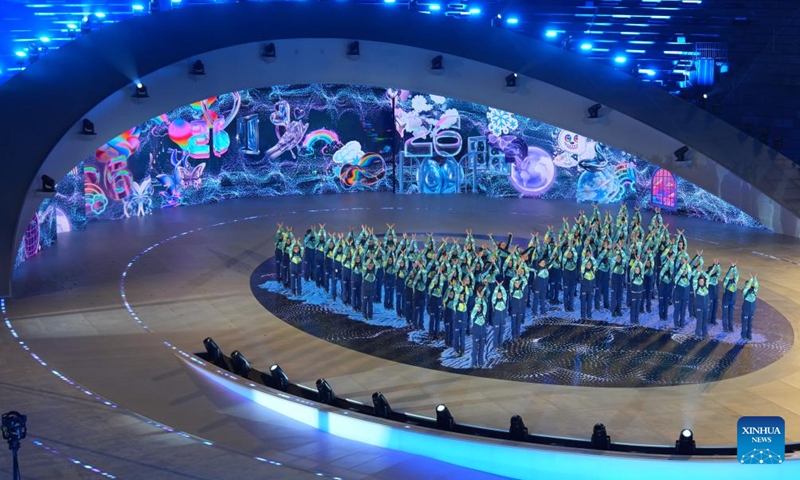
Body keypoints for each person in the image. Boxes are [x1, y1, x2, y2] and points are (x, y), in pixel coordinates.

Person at [673, 258, 691, 328]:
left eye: (685, 271)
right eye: (683, 271)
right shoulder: (677, 278)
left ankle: (682, 323)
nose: (684, 272)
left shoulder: (688, 279)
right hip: (677, 297)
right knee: (677, 310)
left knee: (683, 311)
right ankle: (676, 323)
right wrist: (684, 264)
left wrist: (686, 264)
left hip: (685, 297)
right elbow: (680, 271)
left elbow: (690, 271)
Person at [722, 262, 739, 333]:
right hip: (726, 301)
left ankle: (730, 327)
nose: (731, 276)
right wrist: (731, 268)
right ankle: (725, 327)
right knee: (725, 315)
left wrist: (734, 267)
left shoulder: (735, 282)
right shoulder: (726, 282)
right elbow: (727, 276)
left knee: (731, 315)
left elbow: (737, 275)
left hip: (732, 301)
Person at [508, 275, 527, 340]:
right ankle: (513, 335)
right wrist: (516, 275)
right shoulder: (512, 290)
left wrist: (521, 276)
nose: (517, 284)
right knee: (513, 322)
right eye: (516, 283)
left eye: (518, 283)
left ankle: (518, 334)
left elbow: (525, 282)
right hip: (514, 309)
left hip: (520, 309)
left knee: (518, 322)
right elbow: (511, 281)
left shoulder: (521, 289)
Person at [471, 297, 488, 368]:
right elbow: (474, 309)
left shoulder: (483, 314)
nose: (479, 308)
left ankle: (481, 362)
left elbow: (486, 306)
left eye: (480, 307)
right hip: (476, 334)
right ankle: (474, 363)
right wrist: (478, 300)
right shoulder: (473, 315)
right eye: (478, 307)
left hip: (483, 334)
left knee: (481, 349)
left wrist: (482, 299)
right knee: (475, 350)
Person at [741, 273, 758, 341]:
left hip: (752, 310)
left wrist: (755, 279)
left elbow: (756, 286)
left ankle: (749, 335)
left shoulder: (754, 291)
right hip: (746, 310)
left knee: (750, 323)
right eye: (747, 285)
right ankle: (743, 335)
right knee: (745, 323)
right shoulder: (744, 292)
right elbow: (746, 287)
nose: (748, 286)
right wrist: (751, 279)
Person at [491, 280, 508, 348]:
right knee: (496, 333)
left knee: (501, 333)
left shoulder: (504, 301)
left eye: (500, 294)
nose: (499, 295)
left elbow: (504, 293)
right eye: (498, 294)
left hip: (503, 319)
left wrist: (501, 287)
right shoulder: (494, 302)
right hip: (496, 320)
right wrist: (497, 287)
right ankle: (495, 346)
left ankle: (500, 345)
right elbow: (494, 295)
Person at [693, 272, 710, 338]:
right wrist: (698, 272)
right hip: (699, 307)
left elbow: (708, 277)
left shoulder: (706, 286)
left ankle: (705, 333)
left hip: (706, 307)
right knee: (699, 321)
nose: (701, 282)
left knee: (705, 320)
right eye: (700, 281)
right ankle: (697, 333)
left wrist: (702, 271)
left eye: (702, 281)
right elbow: (694, 279)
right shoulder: (696, 288)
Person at [657, 252, 674, 321]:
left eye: (668, 267)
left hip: (667, 292)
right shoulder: (661, 274)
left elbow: (672, 267)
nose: (667, 268)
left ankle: (665, 315)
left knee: (666, 305)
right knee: (661, 304)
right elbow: (663, 269)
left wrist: (670, 261)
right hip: (661, 291)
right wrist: (668, 261)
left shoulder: (670, 274)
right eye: (665, 267)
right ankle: (661, 315)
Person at [706, 259, 722, 325]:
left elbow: (719, 271)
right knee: (710, 308)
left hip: (716, 294)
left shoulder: (715, 276)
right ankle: (708, 320)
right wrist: (714, 266)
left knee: (715, 308)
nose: (712, 272)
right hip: (710, 295)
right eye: (711, 270)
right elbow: (710, 273)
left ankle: (713, 320)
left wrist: (717, 265)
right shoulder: (707, 276)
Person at [454, 290, 468, 356]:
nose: (461, 297)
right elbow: (456, 298)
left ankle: (462, 350)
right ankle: (456, 351)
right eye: (460, 296)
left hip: (463, 323)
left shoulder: (465, 303)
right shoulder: (456, 303)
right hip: (457, 323)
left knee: (462, 338)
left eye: (462, 296)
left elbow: (467, 293)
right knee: (456, 337)